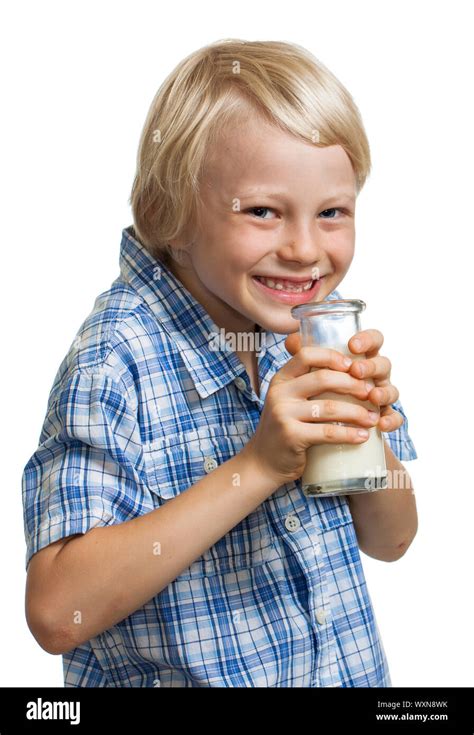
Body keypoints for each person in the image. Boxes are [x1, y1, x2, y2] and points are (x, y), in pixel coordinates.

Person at [22, 39, 418, 687]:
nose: (304, 249)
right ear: (167, 214)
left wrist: (367, 436)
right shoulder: (116, 356)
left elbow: (392, 539)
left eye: (332, 213)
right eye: (263, 211)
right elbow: (56, 612)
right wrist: (258, 465)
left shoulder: (314, 329)